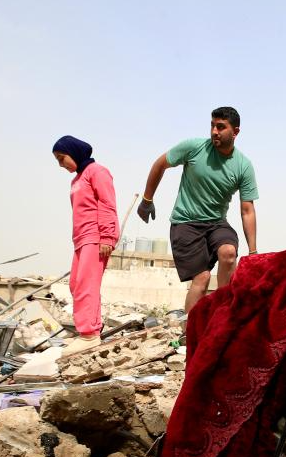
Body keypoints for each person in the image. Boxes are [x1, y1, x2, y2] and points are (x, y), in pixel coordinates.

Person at [137, 106, 258, 312]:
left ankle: (223, 314)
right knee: (202, 279)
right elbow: (160, 164)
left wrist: (253, 251)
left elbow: (247, 210)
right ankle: (190, 329)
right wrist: (147, 199)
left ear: (235, 132)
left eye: (221, 127)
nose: (214, 131)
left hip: (217, 223)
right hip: (186, 222)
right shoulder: (194, 148)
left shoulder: (243, 166)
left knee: (229, 253)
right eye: (212, 125)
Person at [52, 135, 118, 353]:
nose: (60, 164)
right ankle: (91, 329)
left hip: (95, 236)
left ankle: (89, 335)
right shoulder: (77, 179)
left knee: (85, 285)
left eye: (62, 158)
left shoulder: (97, 171)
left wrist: (107, 236)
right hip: (80, 238)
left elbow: (107, 203)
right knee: (75, 284)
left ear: (73, 152)